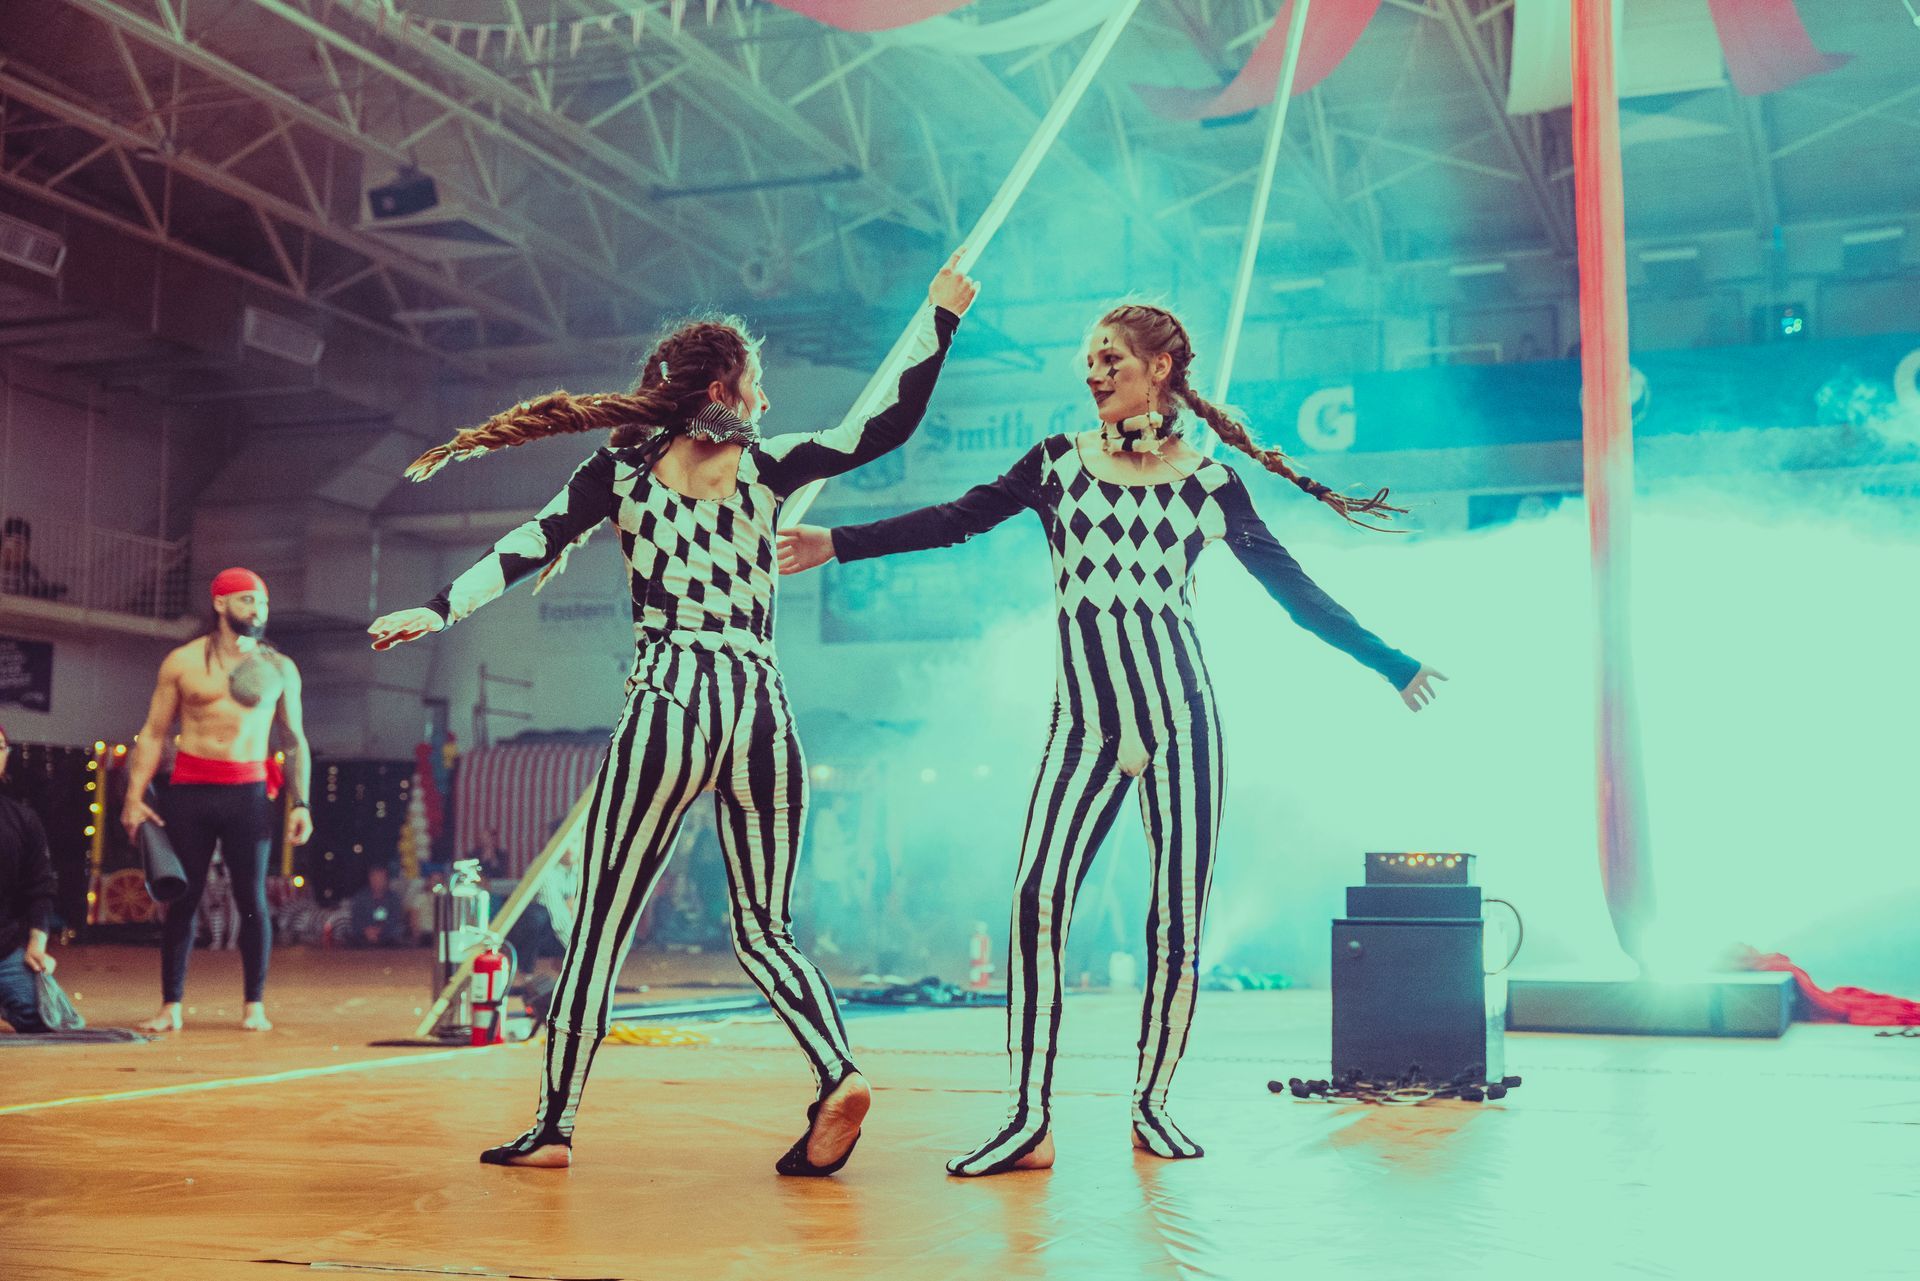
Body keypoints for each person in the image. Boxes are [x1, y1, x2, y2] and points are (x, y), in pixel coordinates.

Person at [778, 303, 1445, 1176]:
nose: (1093, 372)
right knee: (1035, 899)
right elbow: (956, 517)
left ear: (1158, 369)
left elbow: (1296, 593)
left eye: (1111, 359)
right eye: (1088, 360)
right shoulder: (1056, 464)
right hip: (1084, 729)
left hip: (1182, 726)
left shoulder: (1209, 484)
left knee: (1177, 919)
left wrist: (1390, 661)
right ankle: (1028, 1118)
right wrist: (838, 542)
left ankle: (1152, 1103)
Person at [368, 252, 978, 1175]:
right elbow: (881, 427)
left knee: (602, 924)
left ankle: (554, 1126)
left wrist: (440, 607)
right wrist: (938, 318)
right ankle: (838, 1070)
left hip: (672, 696)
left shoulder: (620, 472)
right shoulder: (769, 466)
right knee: (764, 929)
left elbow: (529, 543)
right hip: (761, 706)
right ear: (725, 389)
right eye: (758, 382)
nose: (767, 399)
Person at [121, 568, 313, 1032]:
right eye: (247, 600)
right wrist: (133, 796)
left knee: (252, 898)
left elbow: (293, 741)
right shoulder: (183, 662)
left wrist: (302, 802)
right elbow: (154, 733)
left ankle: (254, 1005)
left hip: (248, 793)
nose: (257, 610)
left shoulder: (279, 668)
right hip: (190, 790)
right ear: (220, 603)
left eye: (262, 603)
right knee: (182, 899)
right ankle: (170, 1006)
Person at [0, 722, 58, 1034]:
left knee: (46, 1018)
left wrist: (37, 945)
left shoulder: (23, 819)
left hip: (4, 949)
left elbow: (41, 888)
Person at [346, 864, 412, 947]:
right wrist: (366, 930)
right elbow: (356, 920)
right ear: (369, 879)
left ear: (386, 880)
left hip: (389, 939)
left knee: (397, 934)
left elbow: (396, 920)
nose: (377, 882)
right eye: (374, 878)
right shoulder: (360, 898)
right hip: (364, 938)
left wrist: (380, 930)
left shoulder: (394, 899)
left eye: (380, 879)